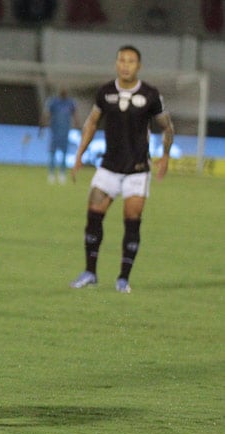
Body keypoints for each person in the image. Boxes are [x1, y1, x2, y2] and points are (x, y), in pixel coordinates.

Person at [69, 45, 174, 294]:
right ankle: (90, 272)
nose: (126, 65)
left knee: (132, 221)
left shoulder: (150, 94)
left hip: (137, 170)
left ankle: (123, 278)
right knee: (93, 216)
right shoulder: (105, 92)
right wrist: (79, 155)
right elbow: (92, 122)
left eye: (131, 61)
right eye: (122, 60)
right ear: (116, 64)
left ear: (139, 66)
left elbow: (166, 127)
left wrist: (166, 155)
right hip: (108, 167)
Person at [40, 87, 79, 184]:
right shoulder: (53, 102)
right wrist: (43, 125)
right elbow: (47, 114)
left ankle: (62, 174)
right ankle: (51, 174)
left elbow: (75, 115)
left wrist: (78, 125)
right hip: (54, 131)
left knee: (64, 154)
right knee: (52, 153)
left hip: (65, 132)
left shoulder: (70, 103)